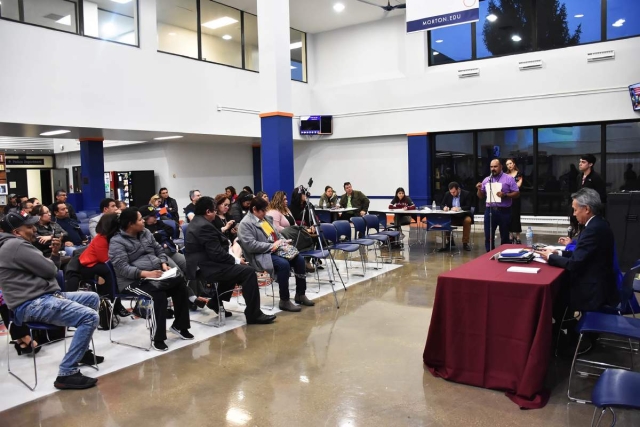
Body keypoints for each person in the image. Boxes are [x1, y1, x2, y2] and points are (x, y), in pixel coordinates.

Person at [0, 211, 103, 390]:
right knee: (90, 317)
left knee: (91, 297)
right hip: (32, 303)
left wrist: (54, 253)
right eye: (30, 227)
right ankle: (67, 372)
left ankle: (81, 352)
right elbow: (50, 271)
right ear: (16, 232)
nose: (34, 230)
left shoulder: (14, 245)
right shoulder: (16, 246)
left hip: (42, 297)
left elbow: (50, 268)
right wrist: (51, 262)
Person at [536, 188, 619, 350]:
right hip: (599, 282)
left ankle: (565, 336)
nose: (573, 214)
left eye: (575, 210)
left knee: (554, 296)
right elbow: (581, 255)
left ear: (586, 209)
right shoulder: (599, 223)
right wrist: (558, 252)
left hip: (593, 290)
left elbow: (575, 263)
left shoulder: (593, 230)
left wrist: (551, 258)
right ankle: (567, 331)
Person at [109, 208, 193, 351]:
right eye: (140, 219)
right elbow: (122, 268)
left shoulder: (146, 233)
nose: (143, 221)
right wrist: (146, 274)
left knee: (180, 285)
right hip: (132, 281)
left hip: (155, 274)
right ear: (131, 224)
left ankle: (180, 326)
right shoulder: (117, 242)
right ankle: (157, 337)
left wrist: (163, 263)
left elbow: (159, 250)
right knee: (157, 295)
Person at [184, 196, 276, 325]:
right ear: (208, 212)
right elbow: (217, 254)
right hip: (206, 267)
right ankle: (253, 314)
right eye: (214, 210)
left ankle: (215, 302)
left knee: (236, 271)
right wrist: (237, 260)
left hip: (204, 263)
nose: (216, 213)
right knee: (247, 272)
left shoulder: (198, 222)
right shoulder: (204, 226)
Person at [239, 197, 315, 312]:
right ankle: (284, 300)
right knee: (283, 264)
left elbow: (278, 235)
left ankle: (300, 294)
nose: (265, 213)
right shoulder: (245, 224)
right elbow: (250, 246)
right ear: (254, 209)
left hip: (277, 249)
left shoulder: (266, 219)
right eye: (263, 210)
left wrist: (284, 241)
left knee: (299, 260)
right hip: (261, 254)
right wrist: (272, 246)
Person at [64, 214, 129, 318]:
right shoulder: (101, 239)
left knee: (112, 271)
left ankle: (114, 303)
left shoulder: (112, 237)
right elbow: (105, 259)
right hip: (86, 266)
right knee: (109, 270)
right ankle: (111, 303)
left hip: (97, 265)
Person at [476, 159, 520, 252]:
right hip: (490, 210)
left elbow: (517, 193)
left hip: (504, 210)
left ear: (501, 167)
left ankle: (505, 255)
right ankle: (489, 253)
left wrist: (505, 195)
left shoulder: (508, 178)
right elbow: (480, 196)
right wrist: (479, 189)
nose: (493, 169)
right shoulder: (487, 180)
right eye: (491, 167)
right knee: (488, 235)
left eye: (495, 166)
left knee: (504, 235)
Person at [138, 205, 187, 273]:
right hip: (159, 255)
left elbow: (170, 230)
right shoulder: (143, 230)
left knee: (189, 265)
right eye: (153, 215)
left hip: (170, 250)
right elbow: (151, 241)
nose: (156, 216)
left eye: (155, 214)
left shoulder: (159, 223)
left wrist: (158, 234)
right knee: (177, 272)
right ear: (145, 218)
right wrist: (160, 235)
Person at [440, 182, 473, 252]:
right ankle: (450, 241)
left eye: (454, 192)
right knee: (445, 220)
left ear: (458, 189)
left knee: (468, 220)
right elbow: (441, 204)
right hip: (452, 216)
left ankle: (465, 243)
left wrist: (459, 208)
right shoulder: (447, 194)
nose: (452, 194)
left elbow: (468, 206)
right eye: (451, 192)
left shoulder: (466, 194)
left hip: (463, 216)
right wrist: (444, 208)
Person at [505, 159, 523, 244]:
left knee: (516, 216)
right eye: (507, 164)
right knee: (508, 216)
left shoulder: (519, 174)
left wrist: (509, 187)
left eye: (510, 163)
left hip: (516, 198)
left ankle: (518, 236)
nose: (509, 165)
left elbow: (518, 186)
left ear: (514, 164)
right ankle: (511, 235)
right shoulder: (505, 175)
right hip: (508, 198)